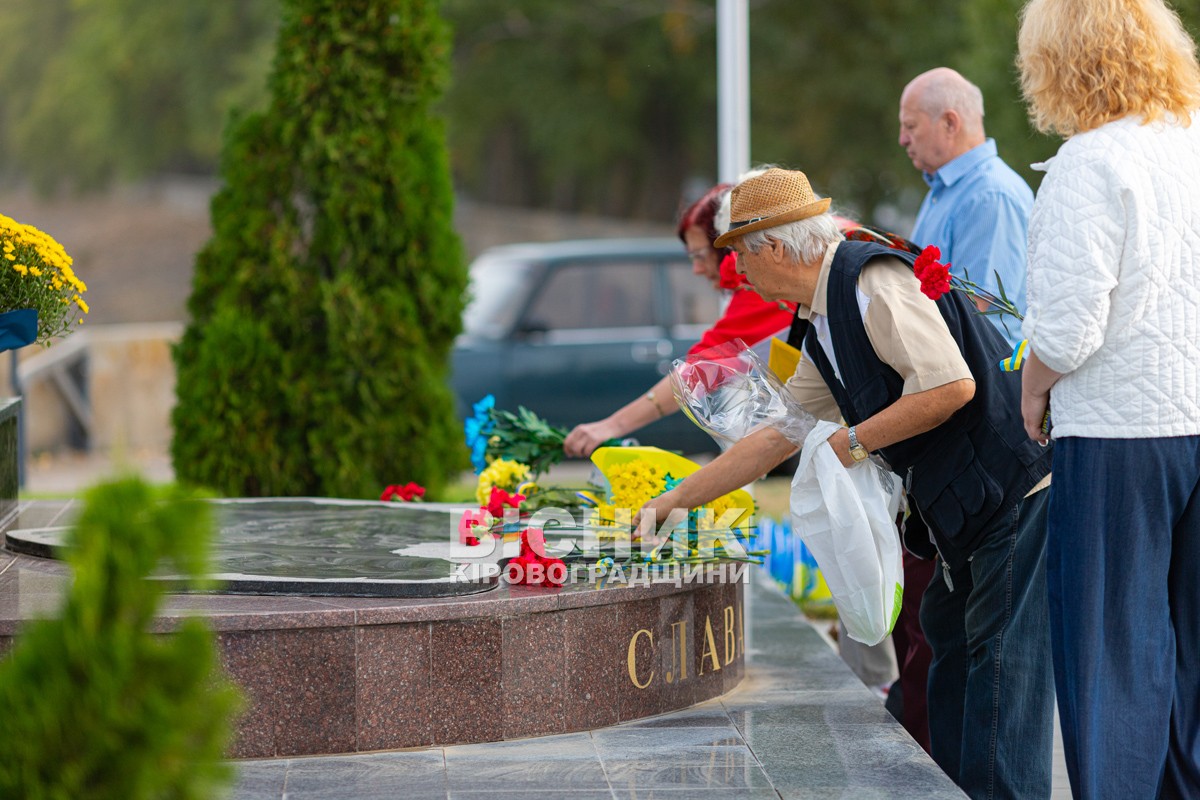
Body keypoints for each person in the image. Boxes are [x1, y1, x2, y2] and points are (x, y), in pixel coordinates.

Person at [638, 168, 1055, 800]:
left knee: (1001, 682)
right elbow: (776, 435)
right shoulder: (822, 316)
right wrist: (672, 500)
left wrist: (855, 440)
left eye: (740, 257)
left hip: (1012, 498)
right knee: (949, 662)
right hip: (965, 508)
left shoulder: (869, 282)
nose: (736, 275)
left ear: (774, 247)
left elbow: (950, 385)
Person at [1016, 1, 1200, 796]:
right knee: (1190, 658)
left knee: (1111, 656)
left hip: (1122, 435)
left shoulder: (1090, 162)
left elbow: (1066, 326)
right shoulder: (1192, 147)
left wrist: (1029, 391)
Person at [563, 182, 795, 458]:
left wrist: (612, 425)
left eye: (700, 256)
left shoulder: (758, 292)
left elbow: (695, 372)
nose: (696, 269)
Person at [899, 67, 1034, 348]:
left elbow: (975, 314)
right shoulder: (950, 189)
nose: (903, 139)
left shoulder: (989, 196)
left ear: (950, 123)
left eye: (910, 126)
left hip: (985, 381)